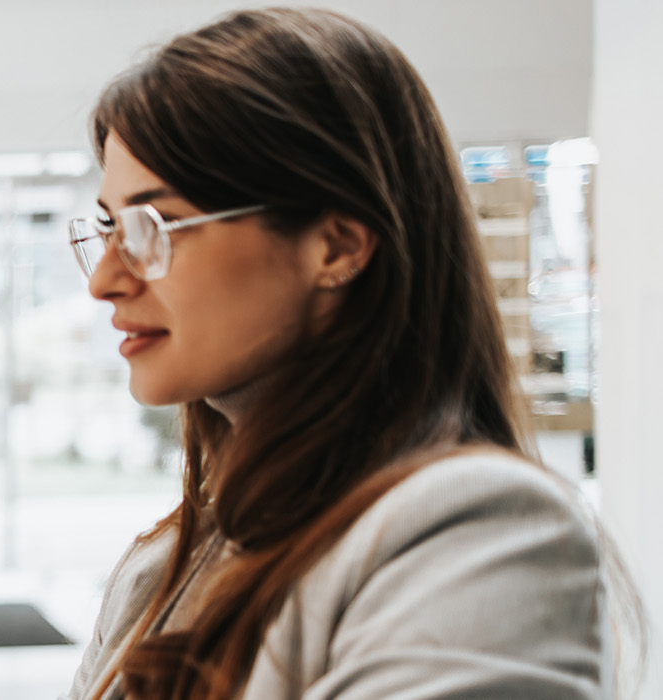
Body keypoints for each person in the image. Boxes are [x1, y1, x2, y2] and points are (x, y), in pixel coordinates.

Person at [62, 8, 636, 699]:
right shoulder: (166, 560)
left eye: (154, 226)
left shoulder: (479, 530)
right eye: (108, 228)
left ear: (335, 246)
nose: (105, 280)